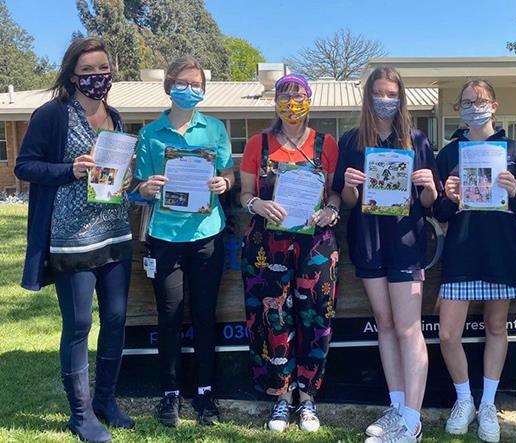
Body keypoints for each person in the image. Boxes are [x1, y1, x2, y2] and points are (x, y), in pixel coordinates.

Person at [14, 37, 134, 443]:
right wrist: (70, 170)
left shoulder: (114, 116)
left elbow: (114, 172)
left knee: (115, 319)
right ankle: (81, 415)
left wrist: (125, 179)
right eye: (87, 71)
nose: (97, 77)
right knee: (80, 324)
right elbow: (25, 166)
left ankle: (106, 401)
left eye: (103, 69)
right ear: (72, 76)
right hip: (71, 238)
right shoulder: (52, 115)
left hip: (115, 232)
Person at [332, 67, 441, 443]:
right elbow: (348, 200)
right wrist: (350, 186)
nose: (385, 99)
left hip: (406, 243)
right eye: (379, 93)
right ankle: (396, 407)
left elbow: (430, 202)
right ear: (368, 97)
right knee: (386, 324)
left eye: (392, 93)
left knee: (409, 328)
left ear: (401, 97)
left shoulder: (417, 139)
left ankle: (412, 419)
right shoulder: (351, 140)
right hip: (368, 241)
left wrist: (428, 186)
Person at [433, 80, 516, 442]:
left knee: (496, 327)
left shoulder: (515, 151)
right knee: (448, 333)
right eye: (466, 102)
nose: (473, 107)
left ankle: (489, 403)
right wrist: (448, 197)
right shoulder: (449, 153)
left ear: (494, 105)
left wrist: (514, 191)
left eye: (480, 101)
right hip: (461, 250)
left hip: (500, 249)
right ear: (458, 109)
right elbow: (439, 211)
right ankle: (465, 399)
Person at [134, 56, 235, 427]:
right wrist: (146, 188)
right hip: (165, 237)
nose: (189, 89)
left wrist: (225, 183)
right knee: (169, 317)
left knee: (206, 315)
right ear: (169, 86)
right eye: (183, 83)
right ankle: (170, 393)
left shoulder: (215, 129)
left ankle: (206, 392)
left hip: (207, 234)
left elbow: (229, 173)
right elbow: (138, 187)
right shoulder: (150, 134)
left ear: (204, 90)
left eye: (196, 85)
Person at [239, 74, 341, 433]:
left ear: (309, 100)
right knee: (273, 320)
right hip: (267, 246)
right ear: (275, 102)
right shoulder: (258, 143)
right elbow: (244, 193)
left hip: (315, 247)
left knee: (316, 319)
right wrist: (257, 204)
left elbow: (335, 192)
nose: (292, 102)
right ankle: (282, 397)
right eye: (284, 95)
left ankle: (308, 398)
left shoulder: (326, 144)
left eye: (298, 95)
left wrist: (331, 209)